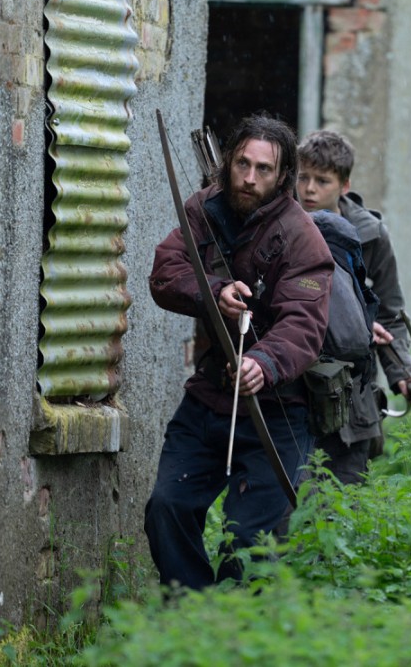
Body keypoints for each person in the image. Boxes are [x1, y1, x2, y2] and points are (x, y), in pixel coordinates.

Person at [145, 113, 334, 590]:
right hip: (210, 395)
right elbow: (166, 273)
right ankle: (187, 612)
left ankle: (233, 624)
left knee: (248, 542)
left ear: (283, 176)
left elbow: (304, 323)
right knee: (167, 506)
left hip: (278, 409)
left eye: (263, 169)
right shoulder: (203, 208)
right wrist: (213, 290)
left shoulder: (302, 236)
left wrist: (262, 363)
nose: (249, 178)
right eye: (242, 164)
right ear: (229, 162)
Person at [296, 129, 411, 483]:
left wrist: (406, 374)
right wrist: (352, 322)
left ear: (344, 185)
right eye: (303, 177)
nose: (309, 189)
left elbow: (390, 315)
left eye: (322, 181)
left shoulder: (370, 235)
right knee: (289, 502)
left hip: (351, 390)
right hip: (292, 382)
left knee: (344, 499)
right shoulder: (280, 226)